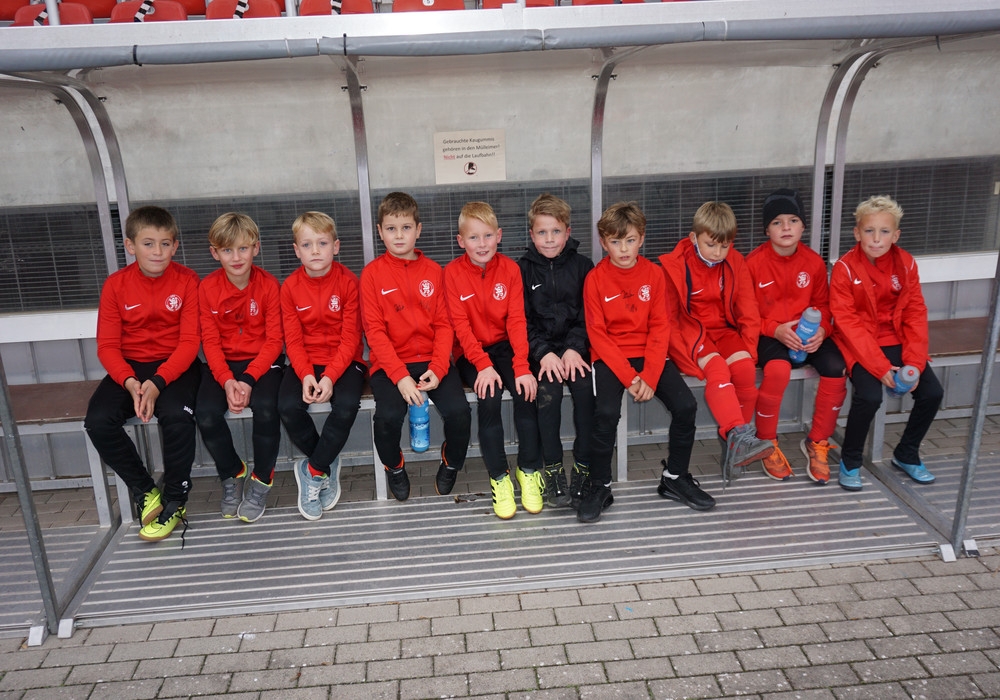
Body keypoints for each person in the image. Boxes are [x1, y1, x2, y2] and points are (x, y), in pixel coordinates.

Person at [581, 202, 715, 523]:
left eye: (630, 240)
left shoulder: (654, 275)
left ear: (641, 238)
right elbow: (598, 336)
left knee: (685, 405)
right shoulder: (595, 279)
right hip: (611, 356)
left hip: (650, 353)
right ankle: (599, 485)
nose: (623, 249)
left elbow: (660, 327)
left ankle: (675, 478)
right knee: (605, 413)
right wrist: (631, 378)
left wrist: (650, 376)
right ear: (603, 242)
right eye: (615, 241)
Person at [84, 205, 200, 543]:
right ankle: (145, 490)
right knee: (98, 421)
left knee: (177, 415)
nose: (157, 252)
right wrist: (131, 382)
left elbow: (190, 343)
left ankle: (175, 498)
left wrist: (158, 383)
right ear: (130, 246)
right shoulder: (116, 285)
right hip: (130, 370)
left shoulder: (188, 280)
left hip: (175, 367)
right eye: (148, 244)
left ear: (175, 246)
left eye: (165, 244)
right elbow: (107, 346)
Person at [361, 192, 472, 502]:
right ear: (380, 231)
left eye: (406, 227)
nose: (399, 235)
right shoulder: (371, 275)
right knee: (386, 417)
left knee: (460, 413)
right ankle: (394, 466)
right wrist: (399, 377)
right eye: (391, 228)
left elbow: (444, 325)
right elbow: (374, 332)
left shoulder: (435, 272)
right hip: (390, 365)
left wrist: (438, 368)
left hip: (432, 361)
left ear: (418, 230)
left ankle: (451, 462)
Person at [830, 195, 942, 491]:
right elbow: (847, 324)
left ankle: (906, 453)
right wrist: (881, 368)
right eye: (869, 231)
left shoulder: (906, 264)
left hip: (897, 340)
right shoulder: (844, 268)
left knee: (932, 393)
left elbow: (915, 313)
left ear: (896, 235)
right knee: (869, 397)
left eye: (884, 231)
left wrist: (914, 364)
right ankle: (850, 461)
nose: (876, 239)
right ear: (857, 233)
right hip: (859, 344)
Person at [659, 201, 774, 486]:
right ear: (693, 238)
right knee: (719, 370)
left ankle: (736, 447)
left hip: (724, 331)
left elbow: (748, 309)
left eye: (725, 246)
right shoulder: (675, 266)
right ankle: (737, 436)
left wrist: (749, 350)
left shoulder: (735, 261)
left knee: (744, 369)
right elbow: (670, 321)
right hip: (693, 334)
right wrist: (688, 362)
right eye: (711, 245)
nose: (718, 253)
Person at [445, 202, 539, 520]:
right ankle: (499, 477)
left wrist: (522, 366)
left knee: (526, 392)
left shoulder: (510, 270)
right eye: (474, 238)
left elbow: (517, 321)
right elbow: (460, 327)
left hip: (507, 348)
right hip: (471, 353)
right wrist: (482, 365)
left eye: (487, 236)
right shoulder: (452, 274)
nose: (482, 244)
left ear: (499, 236)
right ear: (461, 241)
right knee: (489, 396)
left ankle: (528, 470)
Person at [746, 189, 847, 484]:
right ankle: (766, 443)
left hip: (808, 334)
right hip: (771, 333)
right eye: (777, 222)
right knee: (777, 371)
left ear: (803, 226)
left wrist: (822, 331)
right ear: (766, 229)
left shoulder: (814, 263)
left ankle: (817, 441)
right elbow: (745, 315)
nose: (786, 227)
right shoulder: (752, 264)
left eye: (793, 220)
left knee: (836, 368)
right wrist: (775, 330)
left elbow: (825, 307)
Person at [196, 212, 284, 523]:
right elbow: (210, 342)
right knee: (206, 413)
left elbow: (274, 341)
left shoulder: (269, 285)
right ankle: (232, 472)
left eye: (243, 248)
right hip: (223, 365)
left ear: (256, 248)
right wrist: (226, 380)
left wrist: (246, 380)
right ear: (214, 252)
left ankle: (261, 480)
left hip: (263, 363)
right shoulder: (207, 288)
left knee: (267, 408)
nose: (236, 257)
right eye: (227, 250)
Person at [278, 211, 366, 520]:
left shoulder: (349, 282)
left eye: (323, 243)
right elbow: (293, 340)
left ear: (336, 246)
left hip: (345, 361)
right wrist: (305, 375)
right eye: (307, 244)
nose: (315, 251)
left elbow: (350, 338)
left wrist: (329, 377)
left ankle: (313, 470)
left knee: (347, 405)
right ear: (296, 250)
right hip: (305, 360)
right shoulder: (290, 287)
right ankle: (326, 459)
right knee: (287, 406)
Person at [518, 193, 595, 509]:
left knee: (586, 394)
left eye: (556, 231)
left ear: (568, 231)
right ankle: (552, 469)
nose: (549, 239)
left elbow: (589, 314)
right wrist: (543, 353)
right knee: (547, 397)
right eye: (542, 232)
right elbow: (521, 320)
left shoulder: (583, 266)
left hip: (576, 351)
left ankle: (584, 467)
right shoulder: (522, 270)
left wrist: (574, 348)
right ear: (531, 234)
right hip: (542, 354)